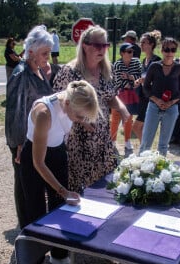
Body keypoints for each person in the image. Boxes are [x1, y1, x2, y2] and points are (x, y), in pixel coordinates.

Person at [20, 81, 99, 264]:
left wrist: (84, 122)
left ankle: (58, 254)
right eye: (80, 116)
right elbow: (38, 162)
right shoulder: (44, 113)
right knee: (35, 213)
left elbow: (72, 118)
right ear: (68, 104)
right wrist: (62, 191)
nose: (81, 120)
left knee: (61, 210)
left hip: (56, 152)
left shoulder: (71, 102)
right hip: (36, 159)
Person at [53, 26, 130, 192]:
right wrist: (82, 121)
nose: (102, 49)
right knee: (79, 189)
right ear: (85, 46)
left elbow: (110, 96)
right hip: (77, 140)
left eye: (105, 45)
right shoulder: (70, 71)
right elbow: (59, 104)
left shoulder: (107, 70)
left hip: (102, 138)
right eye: (98, 45)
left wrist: (122, 109)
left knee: (107, 185)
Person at [5, 25, 54, 228]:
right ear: (31, 51)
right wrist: (20, 144)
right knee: (25, 186)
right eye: (44, 53)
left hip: (36, 137)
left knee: (35, 184)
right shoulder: (21, 75)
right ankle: (27, 228)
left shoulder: (39, 71)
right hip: (24, 141)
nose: (47, 57)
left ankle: (35, 224)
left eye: (49, 53)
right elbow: (16, 113)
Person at [139, 37, 180, 156]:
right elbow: (146, 87)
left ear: (176, 51)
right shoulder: (155, 66)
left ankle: (160, 170)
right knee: (146, 143)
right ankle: (140, 170)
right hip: (154, 107)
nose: (169, 53)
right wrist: (156, 99)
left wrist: (171, 102)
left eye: (172, 49)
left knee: (163, 145)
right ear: (162, 50)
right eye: (166, 49)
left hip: (171, 109)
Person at [111, 42, 142, 154]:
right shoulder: (117, 64)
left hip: (132, 94)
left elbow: (140, 76)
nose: (131, 53)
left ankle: (127, 140)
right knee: (115, 118)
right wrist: (131, 81)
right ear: (122, 53)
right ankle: (112, 141)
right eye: (128, 51)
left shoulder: (136, 62)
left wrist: (129, 77)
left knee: (129, 118)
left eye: (132, 51)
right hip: (119, 94)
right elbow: (118, 81)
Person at [132, 30, 162, 143]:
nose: (141, 45)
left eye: (144, 42)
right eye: (141, 42)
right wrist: (138, 82)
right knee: (143, 128)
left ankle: (145, 149)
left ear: (151, 44)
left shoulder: (157, 61)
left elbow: (160, 81)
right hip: (143, 97)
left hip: (151, 99)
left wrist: (147, 81)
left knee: (136, 127)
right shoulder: (144, 61)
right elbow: (144, 78)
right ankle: (144, 150)